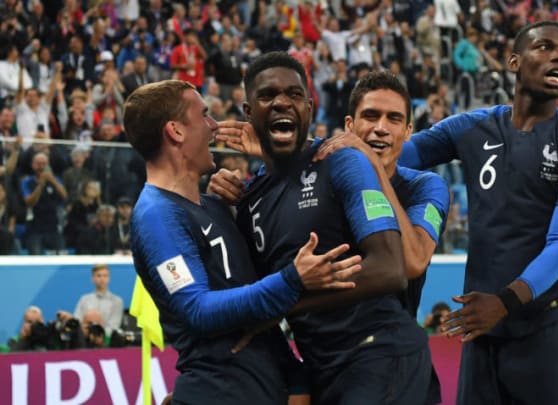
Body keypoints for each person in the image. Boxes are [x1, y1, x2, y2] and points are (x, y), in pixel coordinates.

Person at [396, 21, 558, 404]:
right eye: (544, 47)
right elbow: (395, 156)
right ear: (513, 61)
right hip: (485, 329)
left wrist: (505, 302)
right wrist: (313, 150)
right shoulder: (473, 127)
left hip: (548, 329)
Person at [217, 70, 451, 404]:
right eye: (370, 116)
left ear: (408, 132)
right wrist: (242, 186)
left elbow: (410, 263)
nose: (381, 127)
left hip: (385, 357)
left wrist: (367, 161)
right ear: (350, 126)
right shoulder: (326, 173)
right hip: (323, 363)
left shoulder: (424, 187)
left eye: (394, 119)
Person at [123, 79, 361, 404]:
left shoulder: (215, 205)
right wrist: (294, 279)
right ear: (176, 131)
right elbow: (197, 309)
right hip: (218, 392)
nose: (213, 126)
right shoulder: (156, 215)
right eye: (204, 116)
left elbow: (255, 298)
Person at [74, 264, 125, 335]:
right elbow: (78, 321)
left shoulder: (117, 301)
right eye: (99, 275)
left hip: (107, 341)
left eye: (105, 276)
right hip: (85, 339)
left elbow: (114, 327)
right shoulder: (84, 299)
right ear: (92, 278)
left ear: (109, 278)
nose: (102, 279)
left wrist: (100, 331)